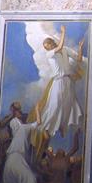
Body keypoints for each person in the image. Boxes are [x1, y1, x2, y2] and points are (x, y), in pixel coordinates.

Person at [30, 25, 86, 157]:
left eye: (47, 45)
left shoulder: (65, 50)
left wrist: (80, 48)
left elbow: (78, 59)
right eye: (44, 46)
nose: (46, 47)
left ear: (51, 43)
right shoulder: (50, 54)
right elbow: (59, 47)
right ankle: (43, 127)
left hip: (68, 82)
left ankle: (62, 127)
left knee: (68, 106)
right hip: (58, 82)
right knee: (54, 106)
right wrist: (64, 32)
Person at [0, 102, 40, 183]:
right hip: (16, 157)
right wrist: (38, 109)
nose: (20, 113)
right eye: (18, 111)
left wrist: (14, 112)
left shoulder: (19, 130)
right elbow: (38, 122)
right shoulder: (22, 128)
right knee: (31, 179)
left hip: (10, 160)